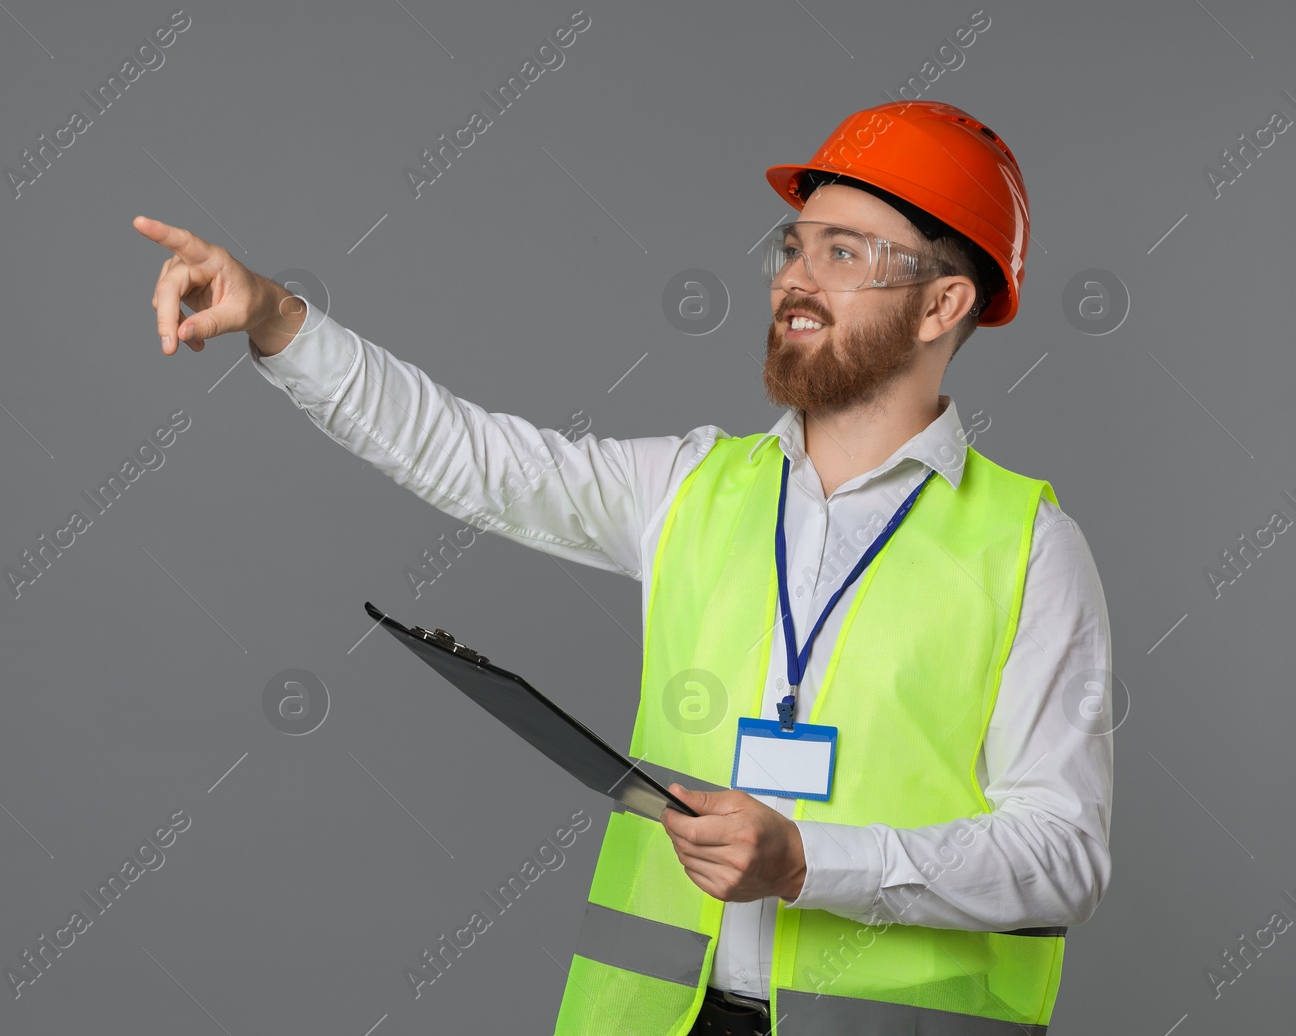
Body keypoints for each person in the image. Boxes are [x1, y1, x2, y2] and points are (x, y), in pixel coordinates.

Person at [134, 99, 1112, 1036]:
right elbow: (474, 459)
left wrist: (813, 858)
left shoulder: (1030, 549)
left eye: (844, 253)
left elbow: (1063, 852)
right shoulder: (689, 484)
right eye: (793, 246)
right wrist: (276, 321)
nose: (791, 278)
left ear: (941, 302)